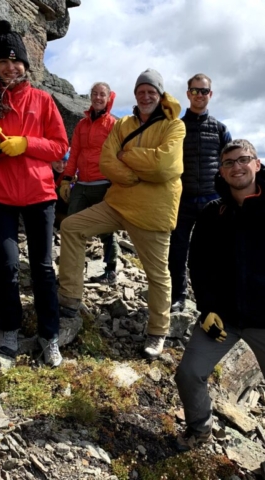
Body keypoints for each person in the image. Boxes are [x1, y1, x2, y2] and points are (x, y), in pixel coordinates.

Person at [174, 139, 265, 480]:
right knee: (188, 373)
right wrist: (206, 308)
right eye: (228, 163)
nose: (236, 167)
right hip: (223, 319)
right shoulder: (213, 214)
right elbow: (199, 264)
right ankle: (199, 430)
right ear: (221, 172)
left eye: (243, 160)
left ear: (256, 164)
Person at [57, 68, 185, 359]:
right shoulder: (124, 123)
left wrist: (125, 157)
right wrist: (136, 174)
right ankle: (69, 299)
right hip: (117, 202)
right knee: (72, 227)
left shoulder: (174, 126)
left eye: (151, 91)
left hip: (153, 212)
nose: (145, 95)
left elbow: (165, 166)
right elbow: (106, 161)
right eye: (141, 91)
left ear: (160, 94)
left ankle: (157, 331)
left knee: (157, 275)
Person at [0, 20, 69, 367]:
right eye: (4, 61)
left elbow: (59, 147)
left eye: (17, 61)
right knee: (6, 265)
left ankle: (49, 335)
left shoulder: (42, 100)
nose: (12, 67)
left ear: (26, 64)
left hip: (40, 193)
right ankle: (9, 329)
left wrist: (26, 144)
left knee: (42, 267)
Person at [168, 73, 232, 312]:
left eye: (204, 91)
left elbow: (230, 165)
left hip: (212, 201)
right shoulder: (177, 127)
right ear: (188, 94)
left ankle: (212, 298)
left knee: (211, 253)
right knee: (177, 251)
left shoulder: (220, 128)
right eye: (195, 91)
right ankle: (179, 296)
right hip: (181, 200)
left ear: (210, 95)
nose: (199, 95)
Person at [58, 82, 120, 283]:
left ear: (109, 98)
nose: (98, 97)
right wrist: (67, 179)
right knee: (70, 226)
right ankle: (71, 274)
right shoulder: (82, 125)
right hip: (82, 184)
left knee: (105, 229)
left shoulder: (113, 124)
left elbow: (118, 154)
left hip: (103, 183)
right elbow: (74, 152)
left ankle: (110, 270)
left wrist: (116, 182)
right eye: (94, 94)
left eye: (102, 94)